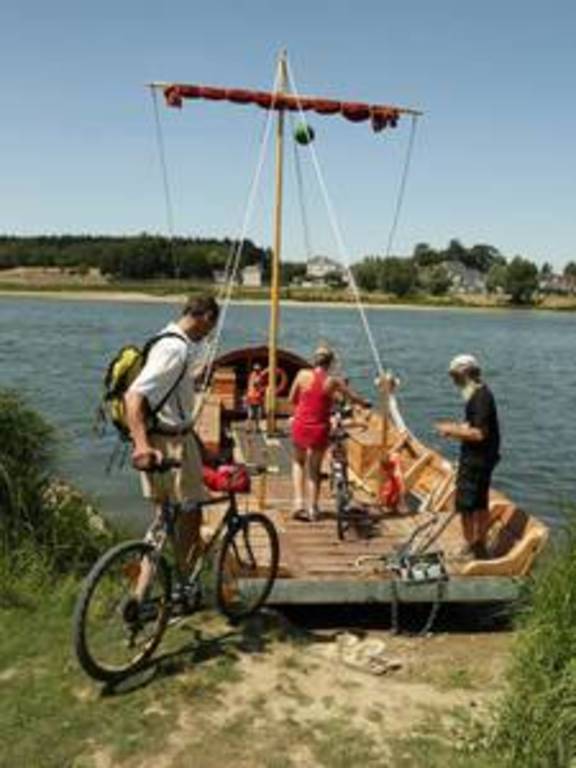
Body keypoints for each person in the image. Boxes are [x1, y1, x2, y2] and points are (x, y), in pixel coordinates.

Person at [125, 294, 219, 578]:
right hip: (168, 444)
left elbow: (170, 403)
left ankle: (142, 588)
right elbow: (134, 396)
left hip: (170, 437)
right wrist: (141, 446)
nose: (208, 335)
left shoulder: (164, 338)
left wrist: (199, 447)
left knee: (163, 518)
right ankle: (185, 581)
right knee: (191, 513)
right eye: (209, 328)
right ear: (206, 317)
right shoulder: (175, 349)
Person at [289, 344, 370, 522]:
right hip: (320, 428)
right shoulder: (333, 381)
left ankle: (298, 503)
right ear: (331, 362)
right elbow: (353, 397)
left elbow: (292, 399)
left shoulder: (302, 375)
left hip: (301, 425)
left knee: (298, 462)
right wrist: (364, 403)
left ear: (314, 360)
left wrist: (303, 403)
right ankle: (313, 509)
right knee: (314, 469)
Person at [435, 354, 501, 559]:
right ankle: (478, 546)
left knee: (466, 504)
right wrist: (457, 427)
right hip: (483, 458)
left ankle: (470, 546)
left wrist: (451, 431)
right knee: (479, 502)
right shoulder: (479, 394)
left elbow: (479, 433)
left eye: (454, 375)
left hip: (477, 461)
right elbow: (474, 426)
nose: (453, 381)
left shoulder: (480, 397)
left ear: (465, 373)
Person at [246, 362, 265, 433]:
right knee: (252, 414)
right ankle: (249, 428)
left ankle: (256, 428)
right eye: (256, 370)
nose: (257, 371)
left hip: (257, 397)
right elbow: (255, 384)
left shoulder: (258, 375)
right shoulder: (254, 376)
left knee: (257, 414)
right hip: (253, 397)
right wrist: (262, 388)